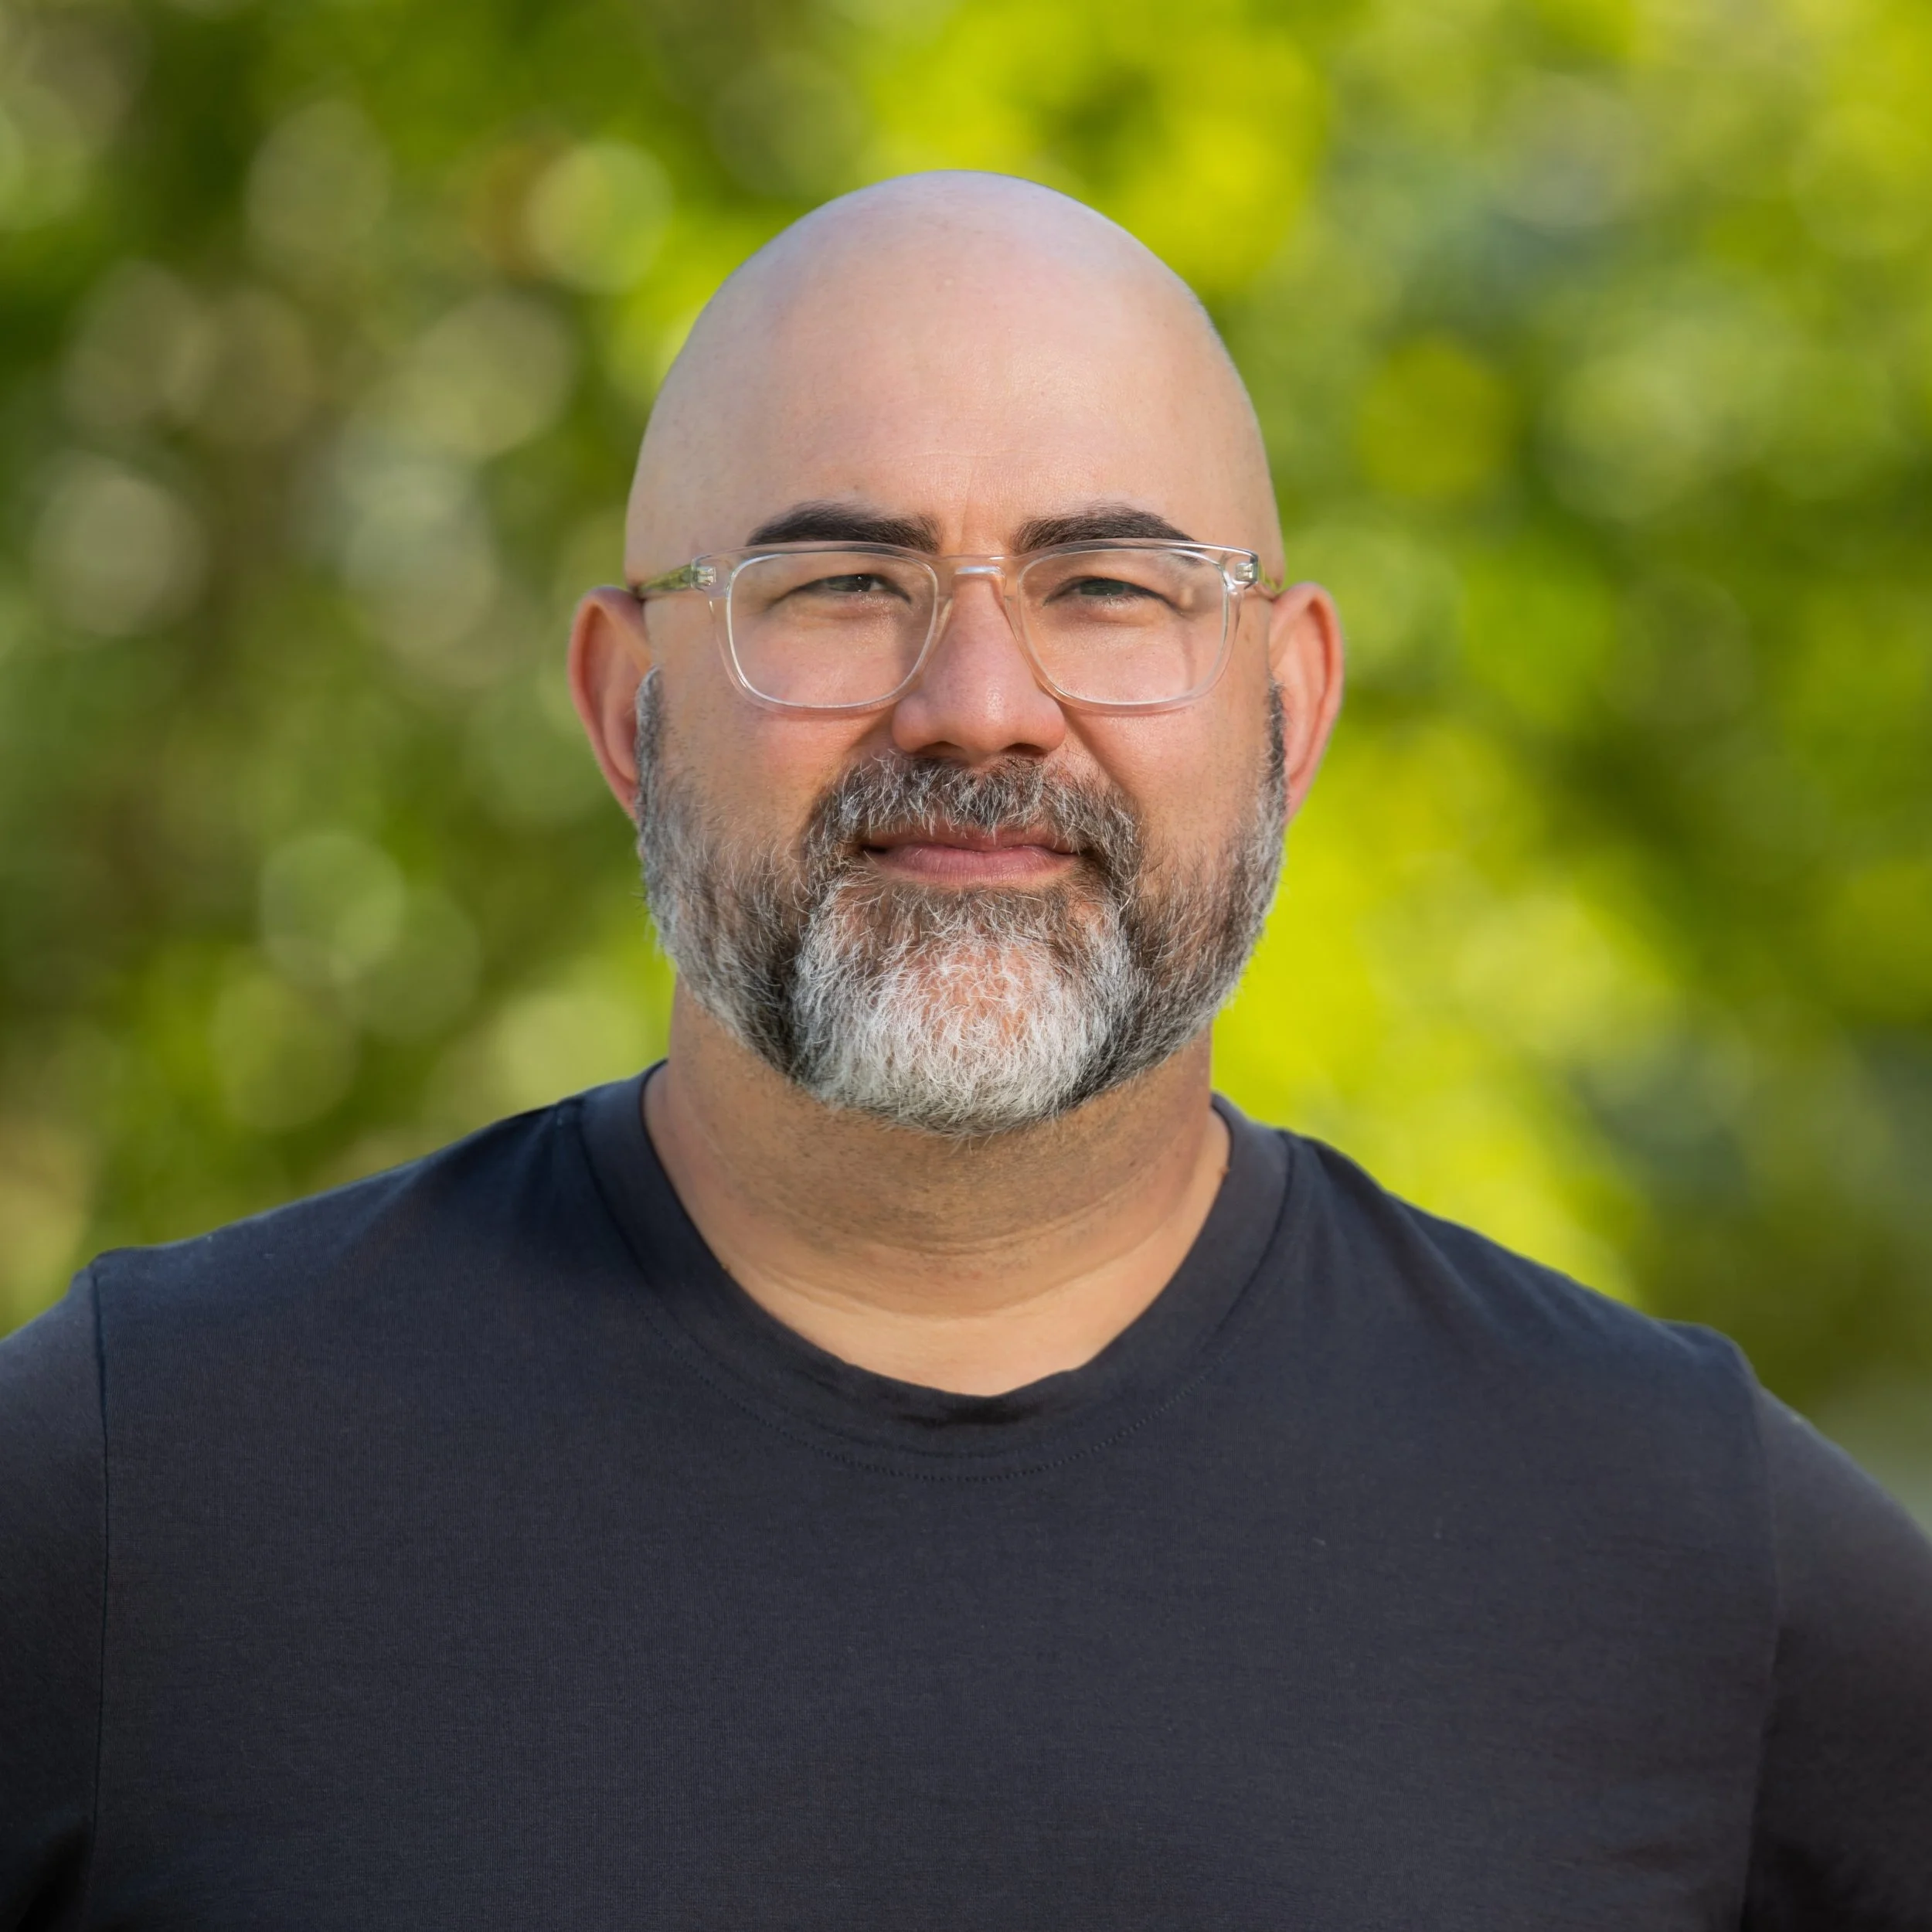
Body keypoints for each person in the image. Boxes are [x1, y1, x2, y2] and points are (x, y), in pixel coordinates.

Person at [2, 172, 1928, 1931]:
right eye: (841, 583)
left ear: (1289, 706)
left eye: (1107, 585)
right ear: (624, 707)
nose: (981, 706)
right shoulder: (133, 1499)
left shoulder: (1680, 1544)